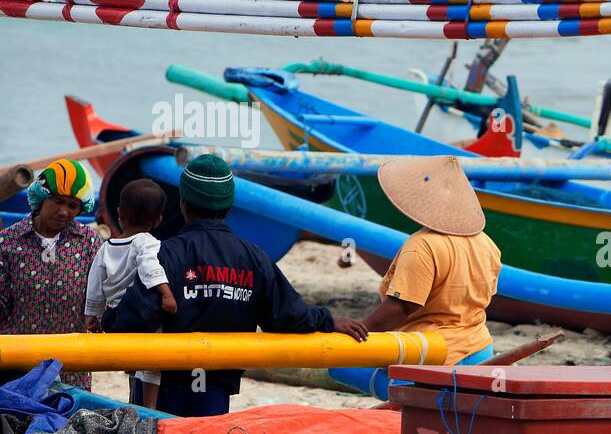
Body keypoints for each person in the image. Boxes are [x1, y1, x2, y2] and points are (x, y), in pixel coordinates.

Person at [103, 154, 368, 416]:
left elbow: (135, 319)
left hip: (163, 387)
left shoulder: (166, 255)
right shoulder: (254, 257)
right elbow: (286, 316)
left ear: (182, 203)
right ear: (229, 207)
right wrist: (328, 320)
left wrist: (106, 318)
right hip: (217, 388)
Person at [358, 156, 501, 366]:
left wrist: (360, 332)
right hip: (480, 348)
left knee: (341, 368)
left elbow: (402, 307)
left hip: (432, 353)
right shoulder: (486, 243)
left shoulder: (421, 246)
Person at [0, 159, 101, 390]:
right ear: (40, 197)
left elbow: (101, 299)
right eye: (57, 202)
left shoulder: (89, 244)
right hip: (16, 371)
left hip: (71, 371)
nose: (64, 212)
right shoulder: (7, 243)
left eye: (73, 206)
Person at [83, 178, 176, 410]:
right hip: (141, 314)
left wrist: (92, 314)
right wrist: (166, 293)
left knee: (136, 363)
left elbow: (95, 281)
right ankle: (150, 406)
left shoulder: (106, 247)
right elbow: (149, 267)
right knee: (153, 362)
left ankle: (135, 400)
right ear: (158, 220)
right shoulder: (146, 243)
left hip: (115, 317)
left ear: (119, 212)